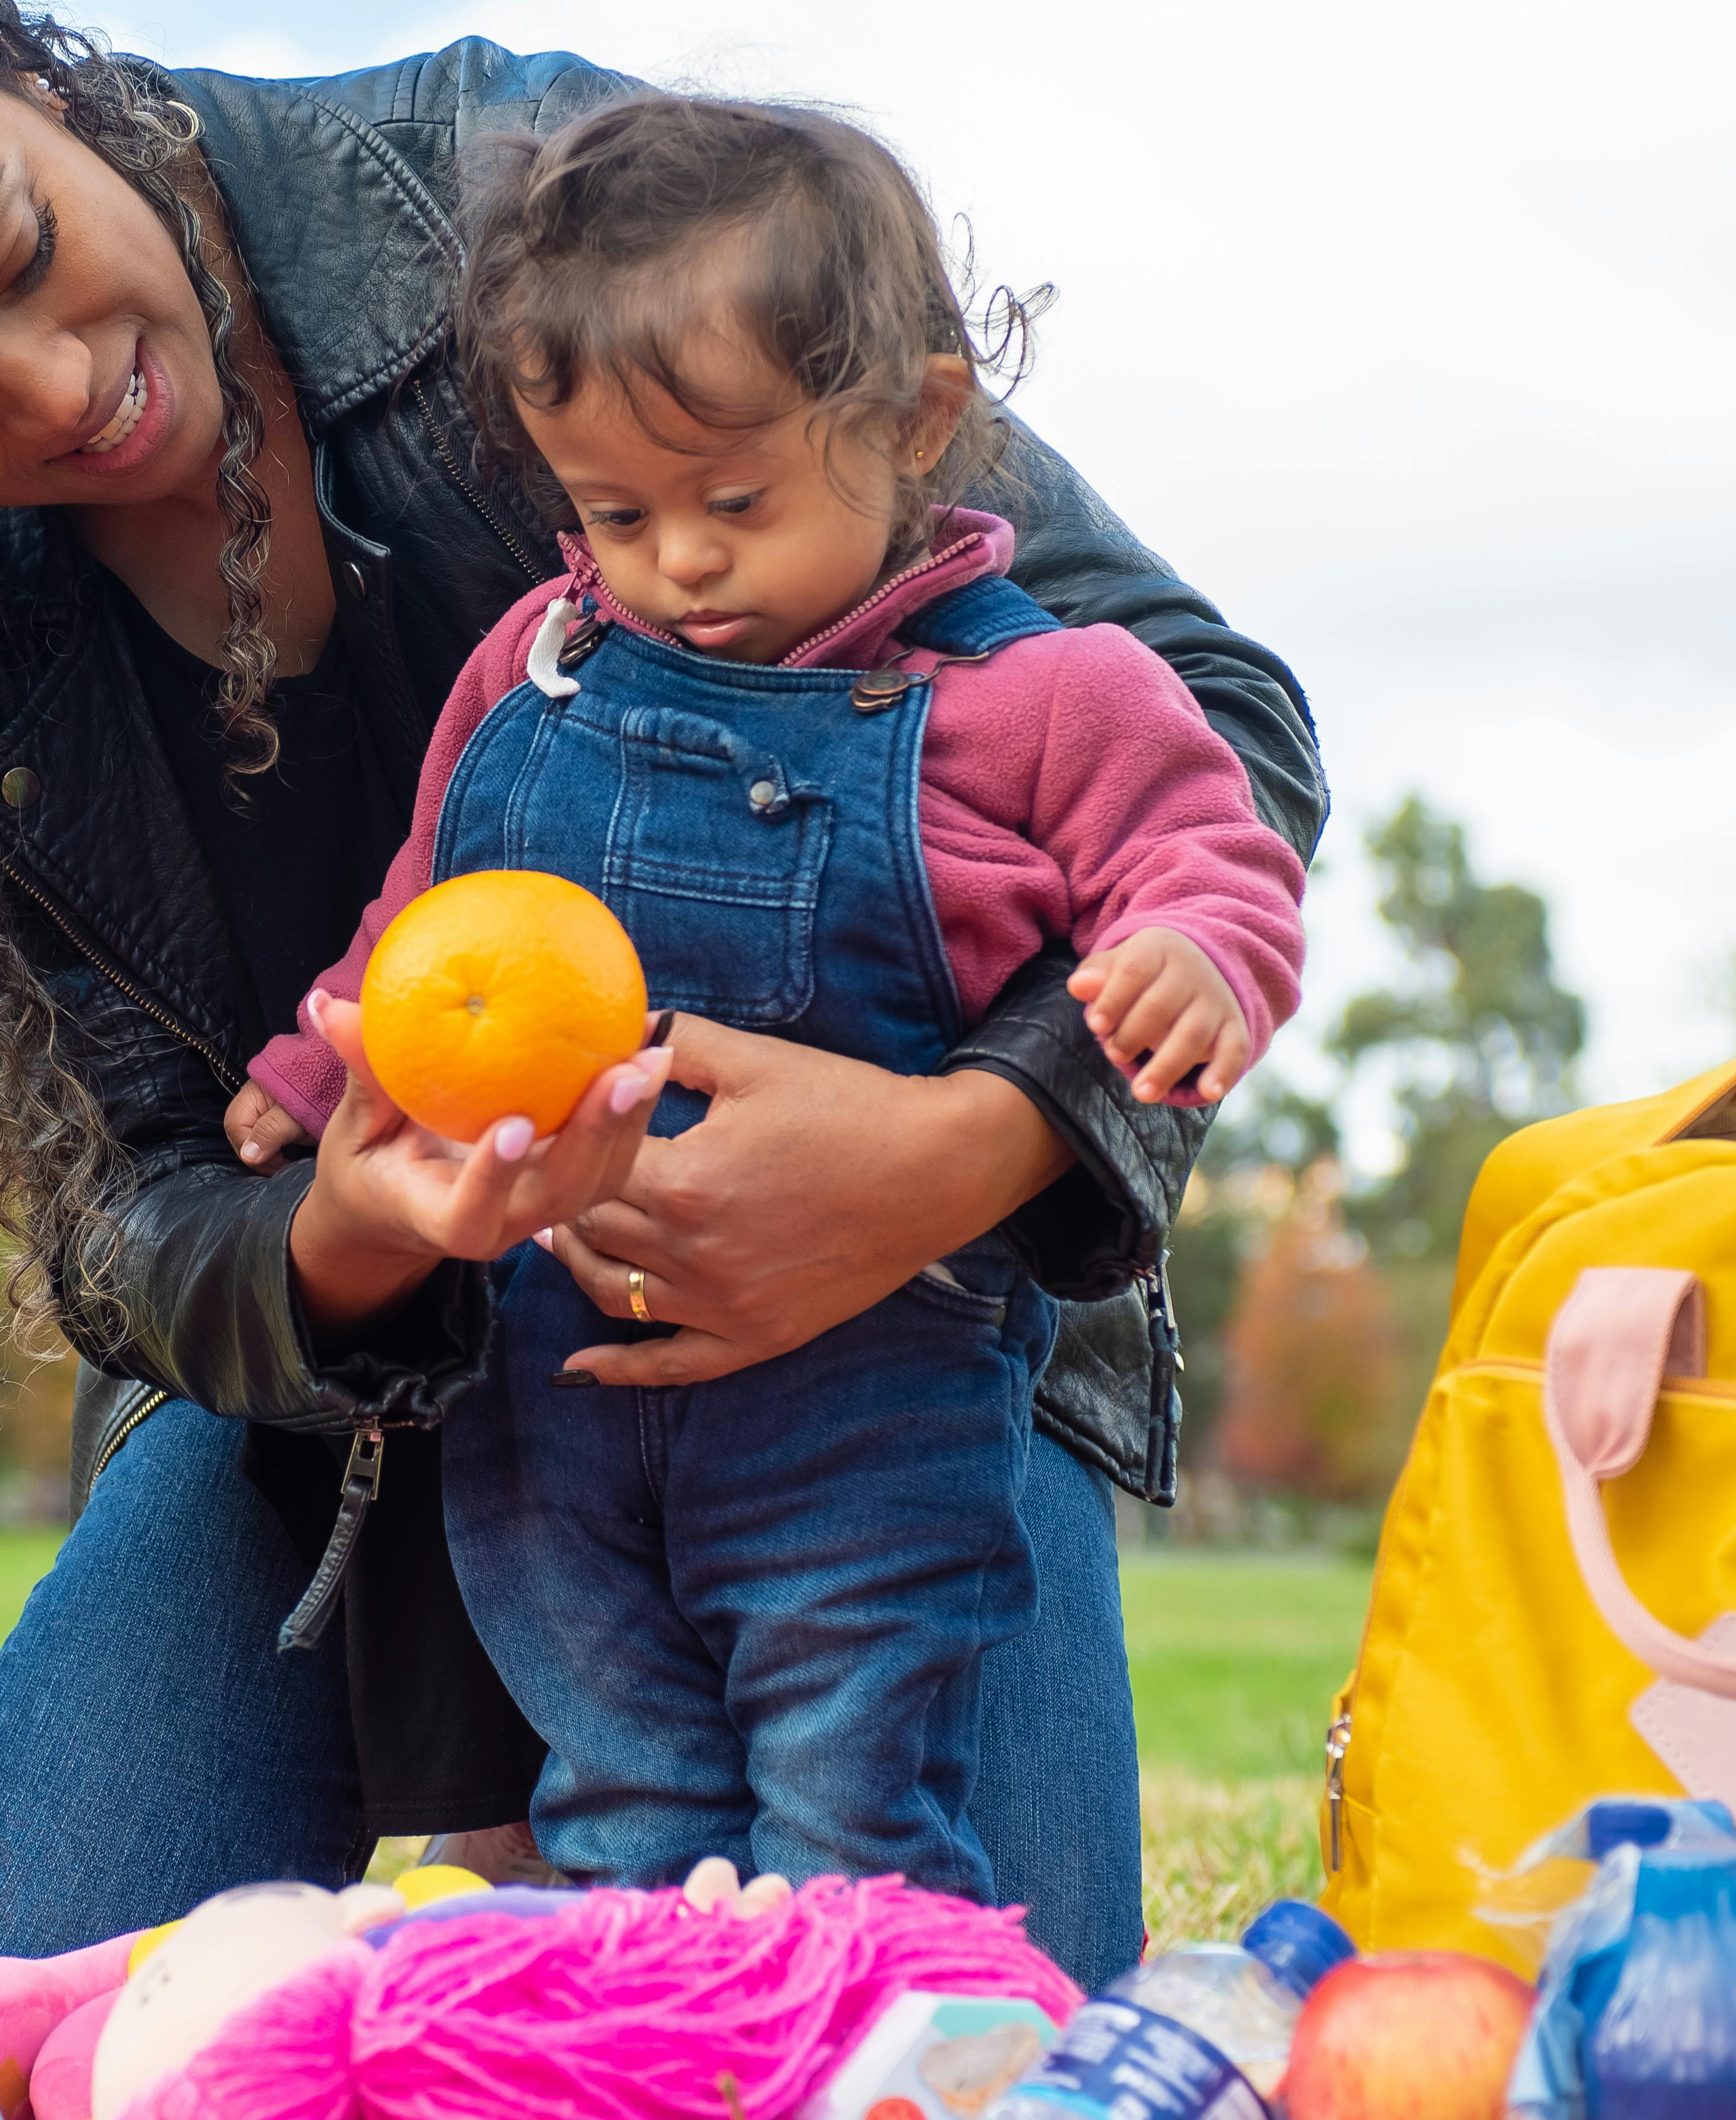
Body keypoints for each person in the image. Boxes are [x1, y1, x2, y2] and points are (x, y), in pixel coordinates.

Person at [0, 0, 1327, 2062]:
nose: (54, 391)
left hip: (892, 1360)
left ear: (38, 75)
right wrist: (345, 1236)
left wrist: (960, 1149)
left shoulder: (552, 216)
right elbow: (131, 1221)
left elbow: (1206, 712)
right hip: (357, 1442)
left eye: (19, 249)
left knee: (957, 2019)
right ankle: (526, 1926)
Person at [228, 93, 1306, 1895]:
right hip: (557, 1383)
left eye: (735, 500)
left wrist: (1195, 954)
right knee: (617, 1782)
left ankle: (867, 2029)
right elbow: (437, 911)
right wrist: (323, 1056)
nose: (677, 563)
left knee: (854, 1796)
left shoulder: (1051, 695)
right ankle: (654, 2038)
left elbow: (1210, 846)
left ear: (915, 425)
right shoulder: (542, 663)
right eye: (613, 512)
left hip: (869, 1392)